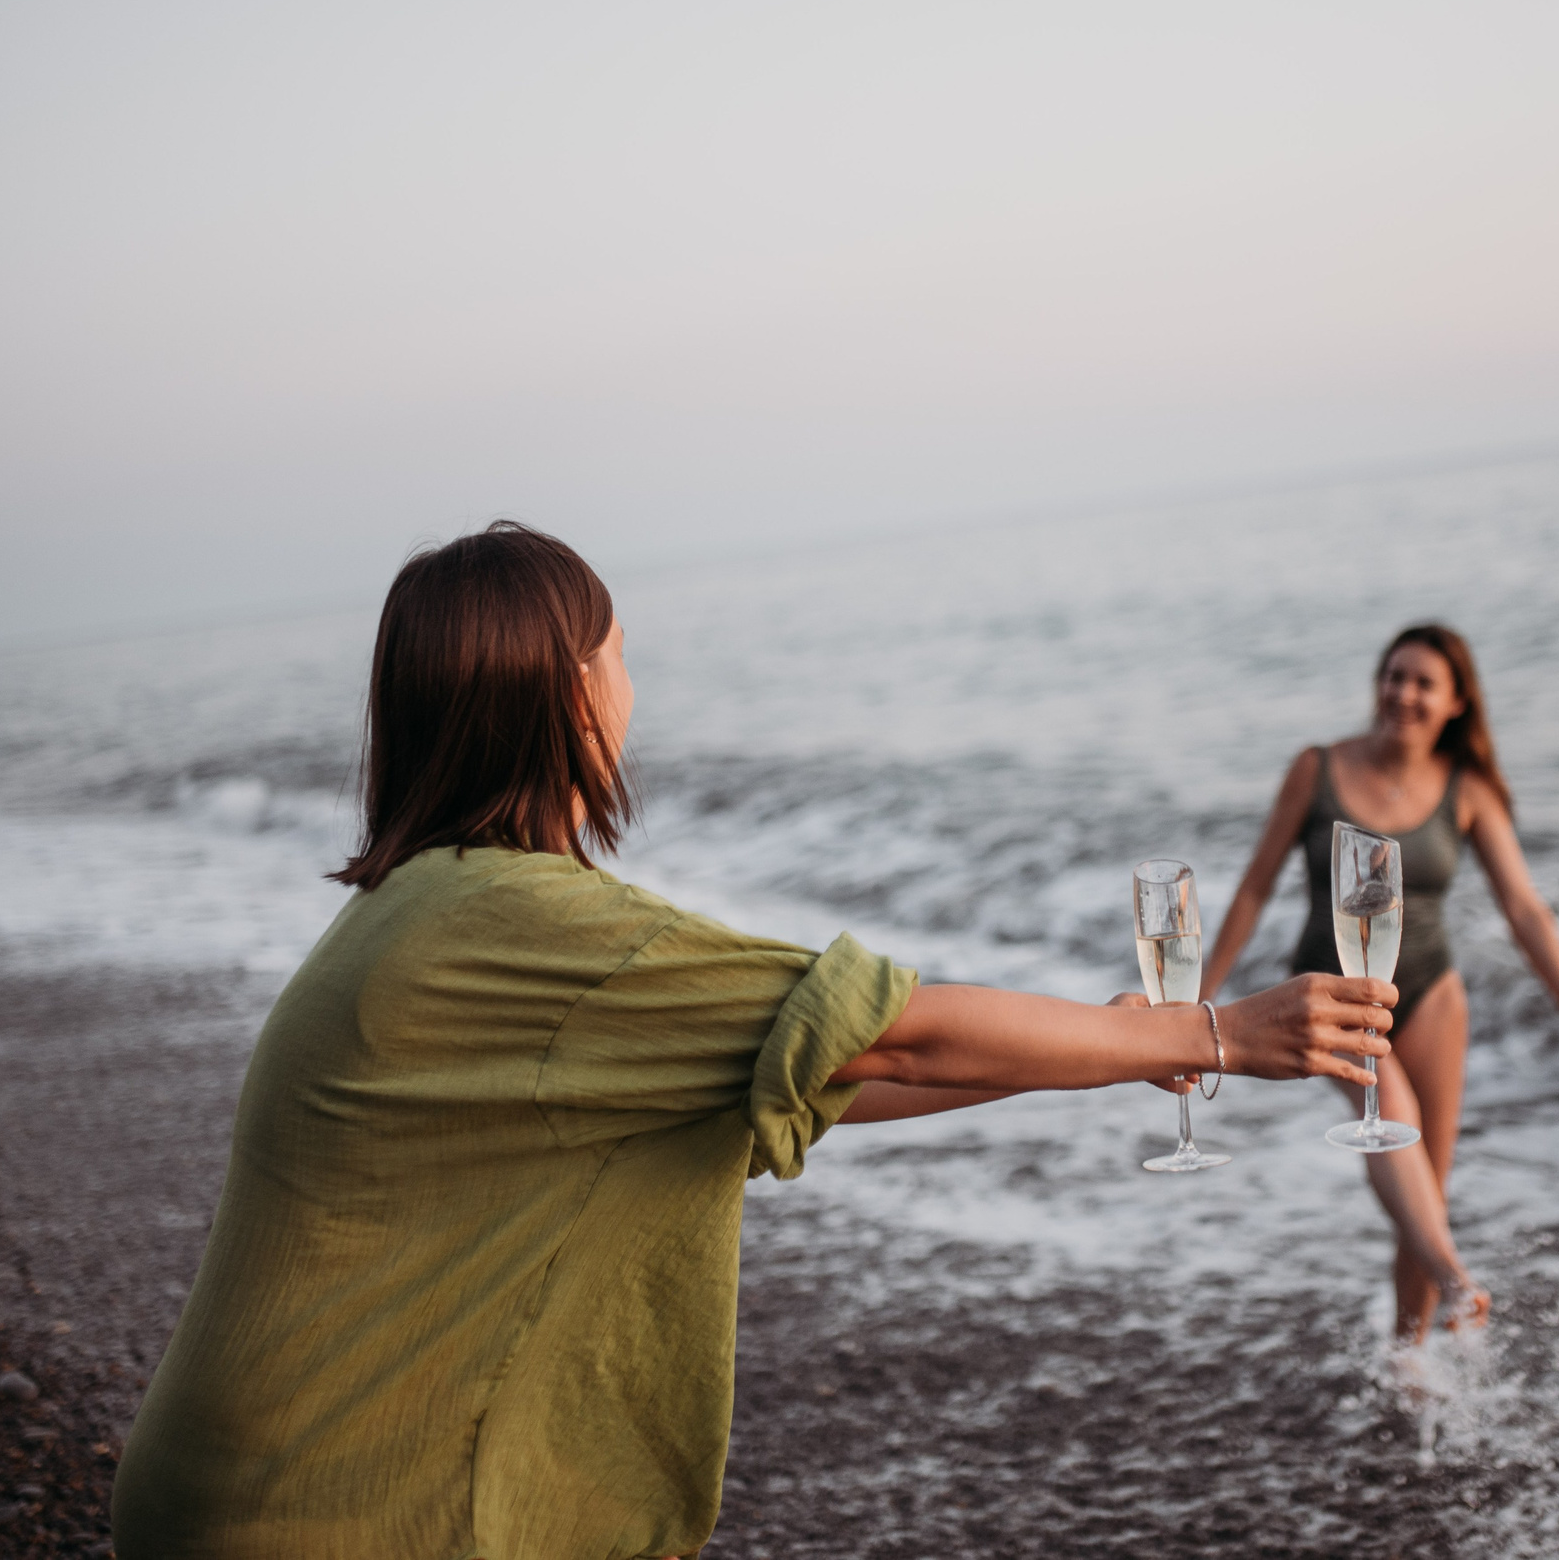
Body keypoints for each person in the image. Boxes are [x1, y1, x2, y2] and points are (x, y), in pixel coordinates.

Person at [111, 521, 1397, 1560]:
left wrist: (1100, 1046)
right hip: (327, 1503)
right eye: (620, 652)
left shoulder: (429, 910)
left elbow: (806, 1070)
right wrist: (1216, 1031)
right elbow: (888, 1033)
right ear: (571, 691)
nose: (631, 682)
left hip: (256, 1477)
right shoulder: (518, 924)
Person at [1200, 623, 1559, 1346]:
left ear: (1457, 702)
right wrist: (1200, 1006)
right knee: (1393, 1114)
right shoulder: (1317, 767)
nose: (1402, 693)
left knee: (1426, 1187)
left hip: (1429, 990)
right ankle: (1456, 1277)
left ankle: (1410, 1354)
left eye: (1423, 683)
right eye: (1393, 675)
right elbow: (1254, 888)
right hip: (1332, 987)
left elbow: (1525, 910)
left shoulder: (1469, 789)